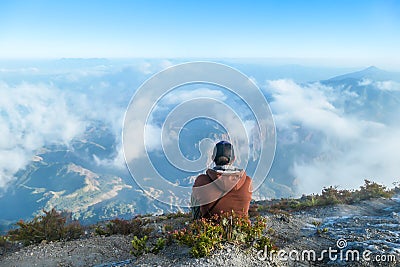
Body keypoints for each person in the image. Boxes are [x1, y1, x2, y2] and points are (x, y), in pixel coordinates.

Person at [191, 141, 252, 219]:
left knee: (196, 192)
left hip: (209, 228)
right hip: (241, 228)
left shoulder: (202, 181)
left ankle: (195, 221)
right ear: (233, 159)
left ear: (213, 158)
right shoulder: (247, 182)